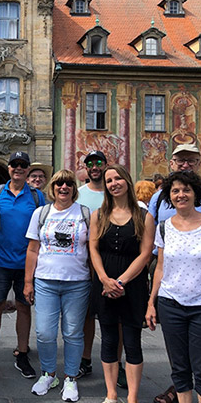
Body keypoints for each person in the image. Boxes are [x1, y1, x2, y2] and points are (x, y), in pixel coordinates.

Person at [148, 144, 201, 403]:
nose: (180, 195)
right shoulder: (165, 226)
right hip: (171, 302)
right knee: (179, 368)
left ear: (196, 193)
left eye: (186, 190)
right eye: (175, 191)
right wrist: (151, 302)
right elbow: (160, 266)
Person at [90, 164, 155, 403]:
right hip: (104, 285)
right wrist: (105, 279)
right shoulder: (99, 214)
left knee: (132, 342)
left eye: (117, 178)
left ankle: (133, 400)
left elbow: (146, 253)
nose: (113, 183)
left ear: (127, 181)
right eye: (108, 180)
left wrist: (121, 281)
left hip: (133, 286)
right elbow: (94, 249)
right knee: (108, 341)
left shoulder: (143, 216)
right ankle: (111, 397)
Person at [23, 170, 91, 402]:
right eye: (59, 183)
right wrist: (27, 281)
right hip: (45, 281)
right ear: (53, 188)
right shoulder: (41, 213)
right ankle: (48, 374)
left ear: (74, 188)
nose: (64, 187)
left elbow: (93, 250)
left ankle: (70, 377)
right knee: (44, 332)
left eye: (69, 184)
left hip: (77, 282)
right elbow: (32, 249)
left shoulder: (84, 213)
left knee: (72, 332)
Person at [0, 151, 45, 379]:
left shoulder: (38, 197)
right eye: (14, 164)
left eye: (23, 165)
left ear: (28, 169)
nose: (18, 168)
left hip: (26, 262)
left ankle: (22, 353)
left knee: (23, 307)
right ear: (8, 168)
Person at [76, 150, 107, 380]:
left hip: (112, 260)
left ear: (105, 165)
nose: (94, 166)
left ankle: (114, 362)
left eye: (98, 162)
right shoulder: (79, 194)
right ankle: (85, 359)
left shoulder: (115, 191)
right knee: (86, 315)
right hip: (85, 262)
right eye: (90, 163)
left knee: (113, 318)